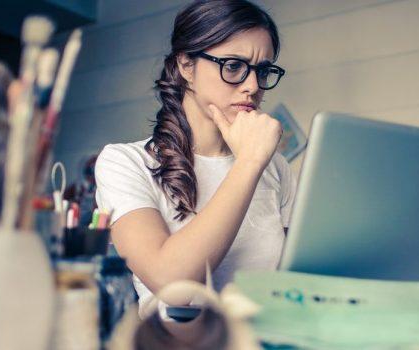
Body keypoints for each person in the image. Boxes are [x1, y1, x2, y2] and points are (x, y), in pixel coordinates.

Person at [94, 0, 296, 318]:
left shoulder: (277, 169)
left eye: (263, 70)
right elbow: (171, 283)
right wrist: (249, 163)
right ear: (187, 64)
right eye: (233, 66)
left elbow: (293, 285)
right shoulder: (124, 162)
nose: (253, 86)